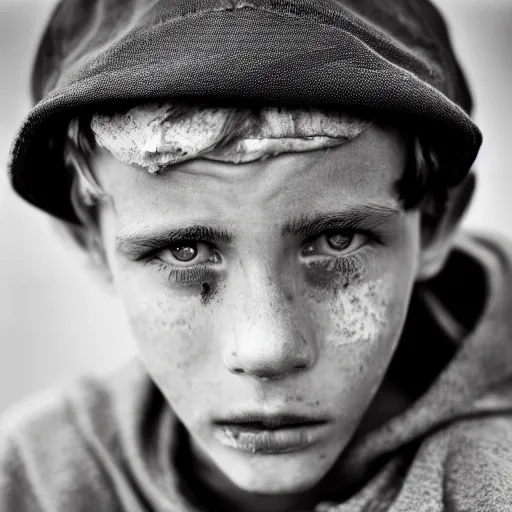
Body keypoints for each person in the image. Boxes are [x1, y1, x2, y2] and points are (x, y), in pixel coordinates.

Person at [2, 0, 512, 510]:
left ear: (437, 223)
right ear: (89, 242)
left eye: (337, 242)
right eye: (185, 252)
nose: (266, 351)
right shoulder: (31, 483)